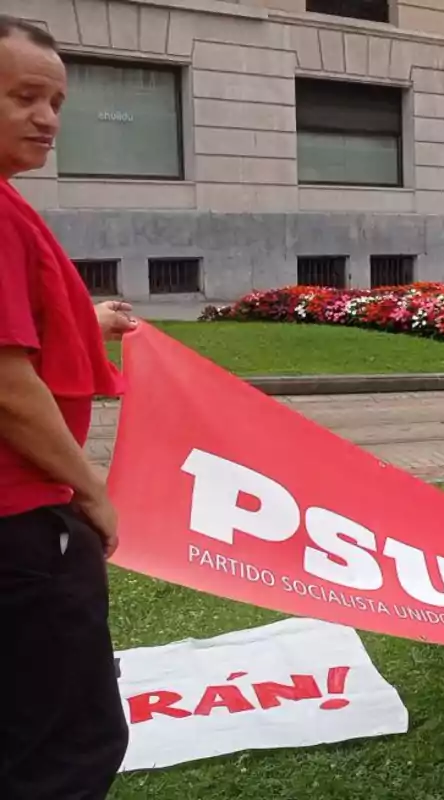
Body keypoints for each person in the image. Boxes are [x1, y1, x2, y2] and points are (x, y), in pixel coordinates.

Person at [0, 18, 137, 798]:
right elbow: (7, 382)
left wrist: (88, 322)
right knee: (66, 744)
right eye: (24, 96)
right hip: (22, 522)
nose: (47, 117)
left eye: (55, 101)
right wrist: (90, 491)